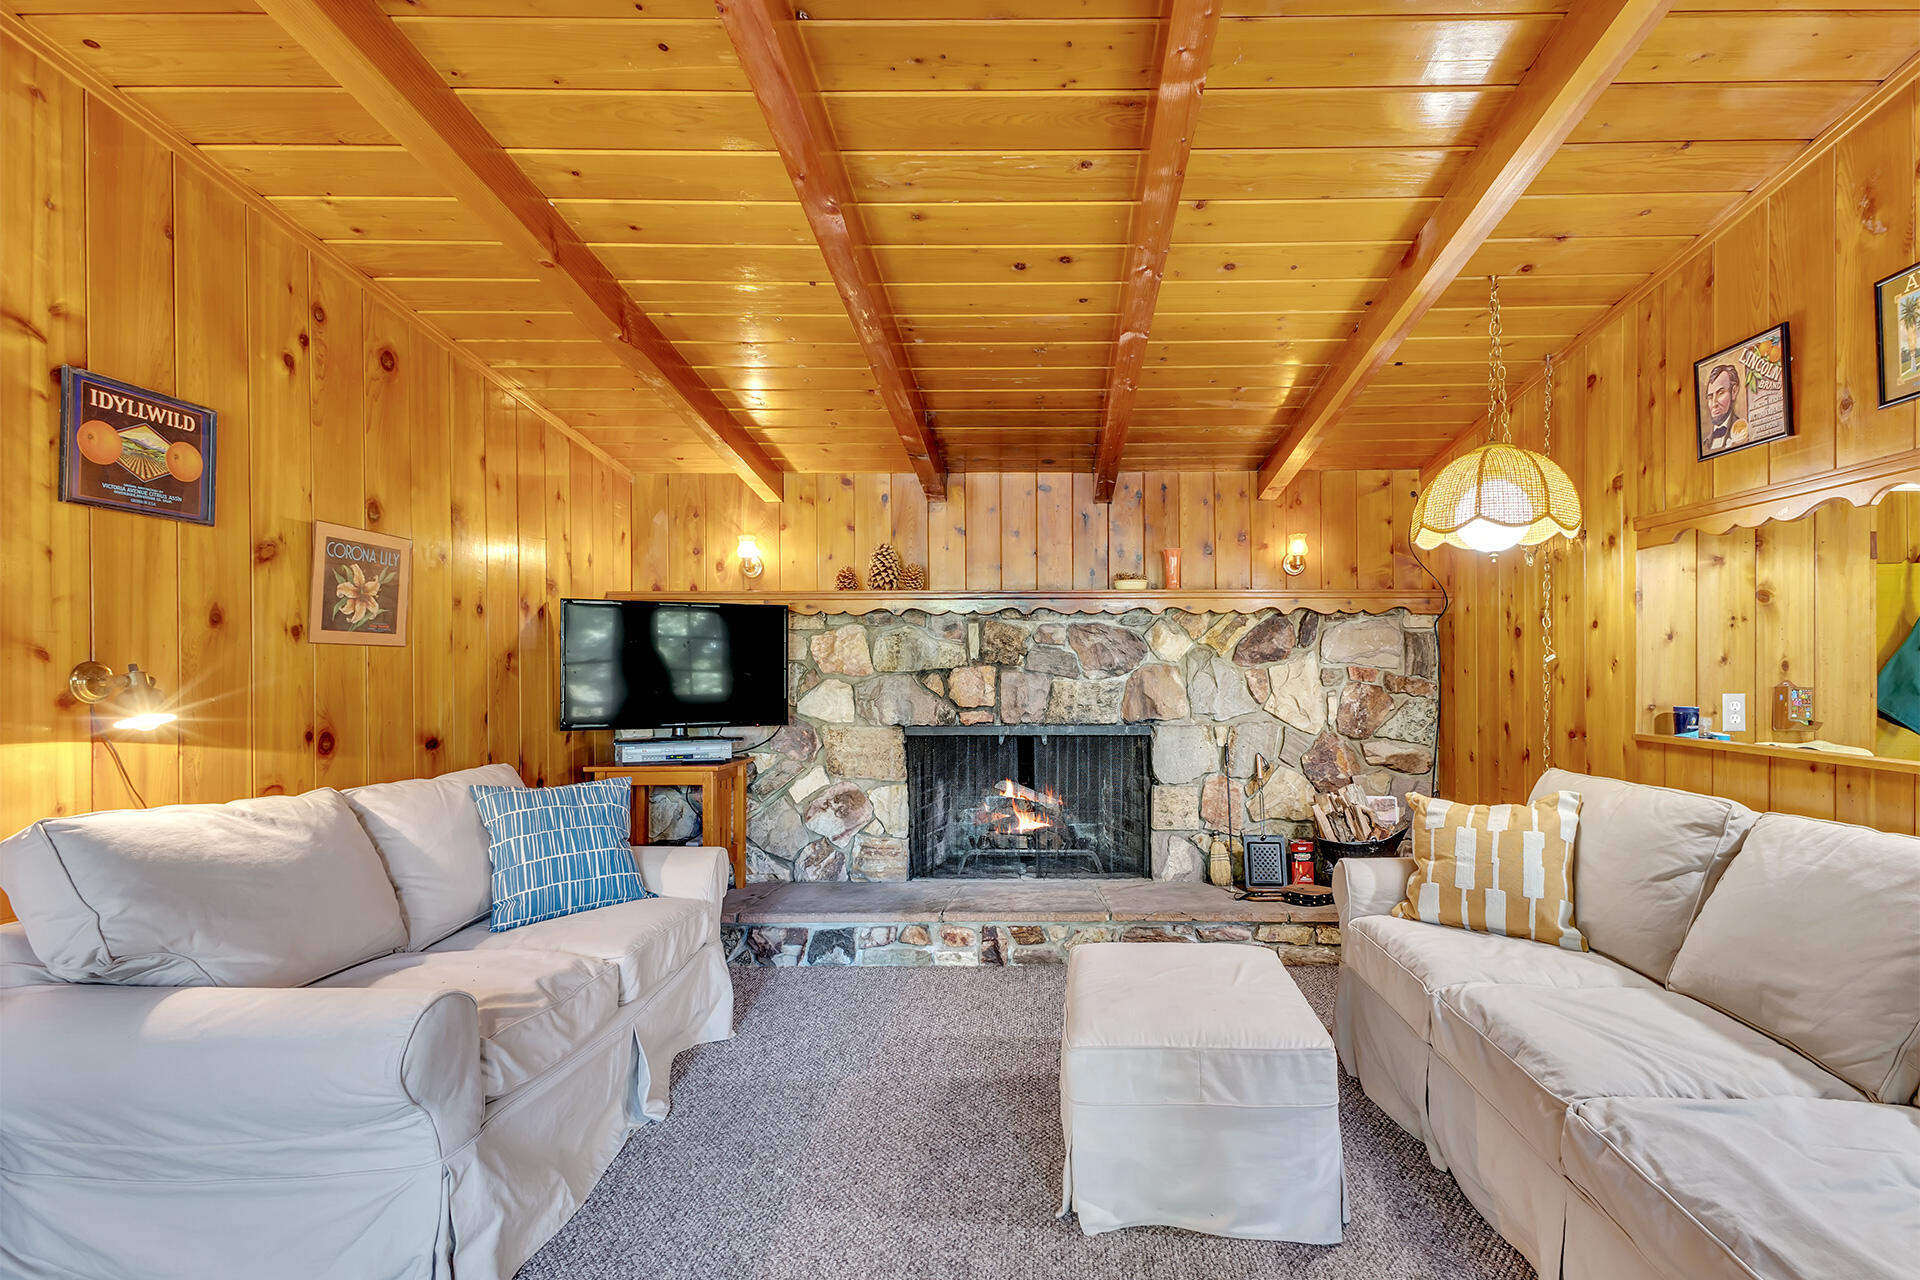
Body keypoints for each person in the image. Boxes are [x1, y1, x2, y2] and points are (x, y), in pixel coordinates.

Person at [1702, 363, 1746, 453]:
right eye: (1710, 397)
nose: (1714, 403)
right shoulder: (1705, 444)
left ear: (1734, 391)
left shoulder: (1744, 432)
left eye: (1720, 393)